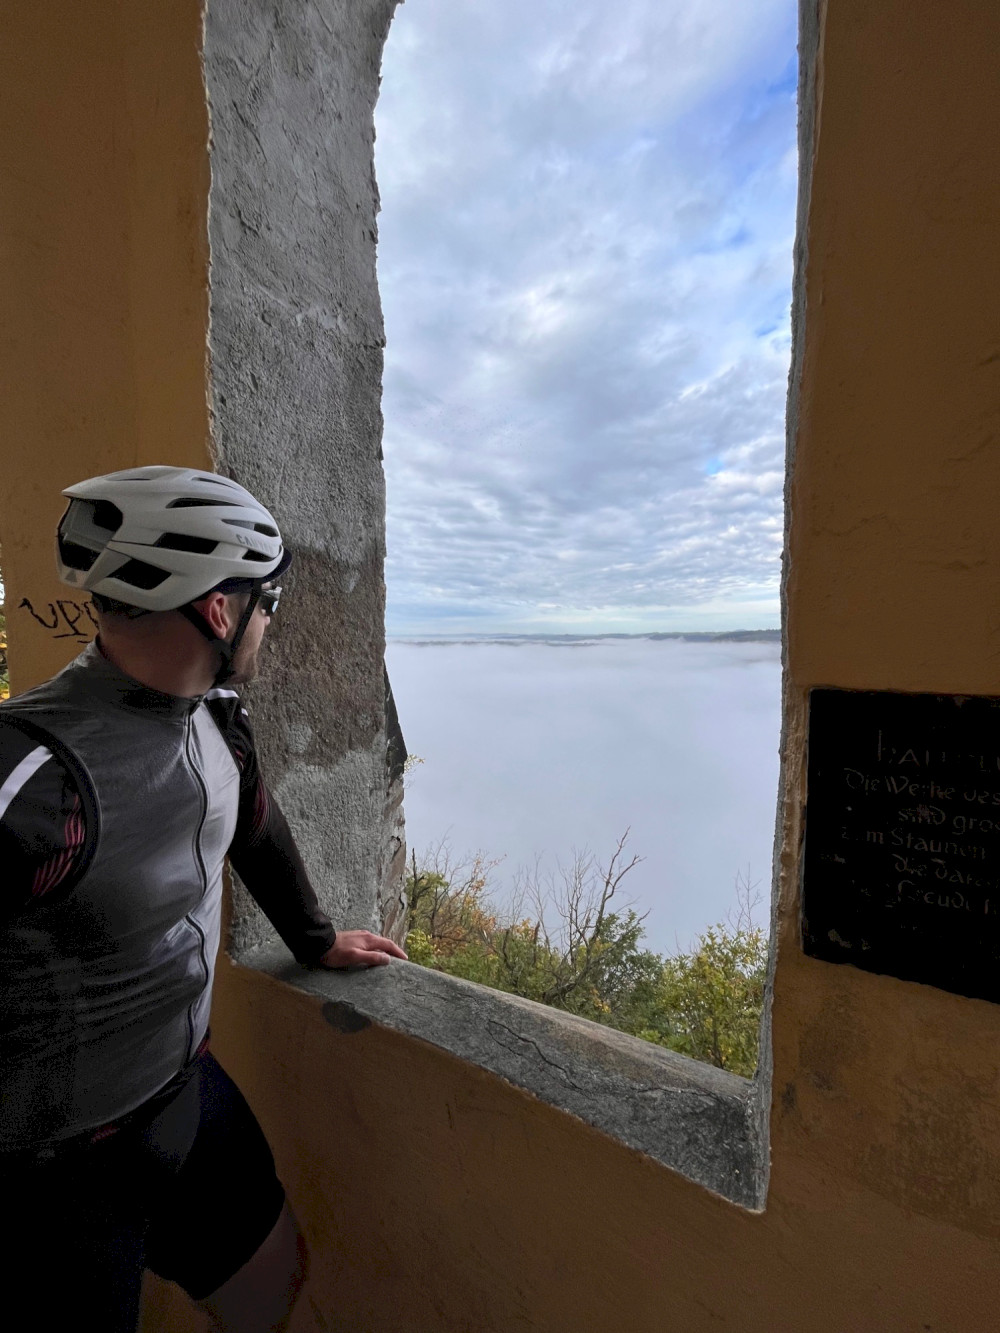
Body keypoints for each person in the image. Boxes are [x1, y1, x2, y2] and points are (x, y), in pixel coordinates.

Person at [0, 464, 407, 1332]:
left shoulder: (218, 718)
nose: (270, 621)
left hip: (183, 1095)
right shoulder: (34, 778)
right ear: (218, 611)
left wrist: (316, 936)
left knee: (272, 1278)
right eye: (267, 603)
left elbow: (251, 823)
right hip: (50, 1182)